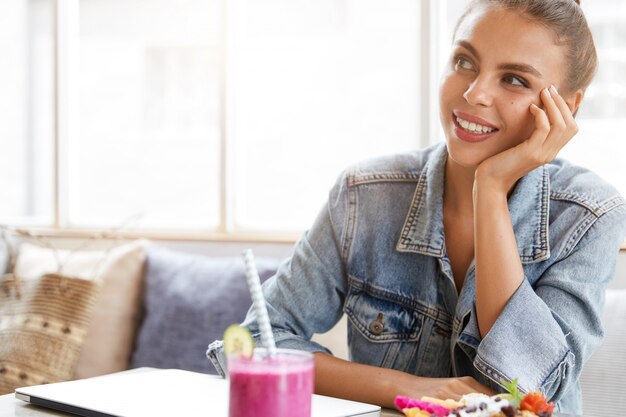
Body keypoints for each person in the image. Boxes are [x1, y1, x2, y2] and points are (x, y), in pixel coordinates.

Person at [207, 0, 626, 414]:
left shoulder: (588, 216)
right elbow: (254, 346)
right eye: (464, 60)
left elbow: (520, 387)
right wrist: (411, 389)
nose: (474, 92)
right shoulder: (363, 196)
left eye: (514, 80)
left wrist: (491, 188)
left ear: (567, 107)